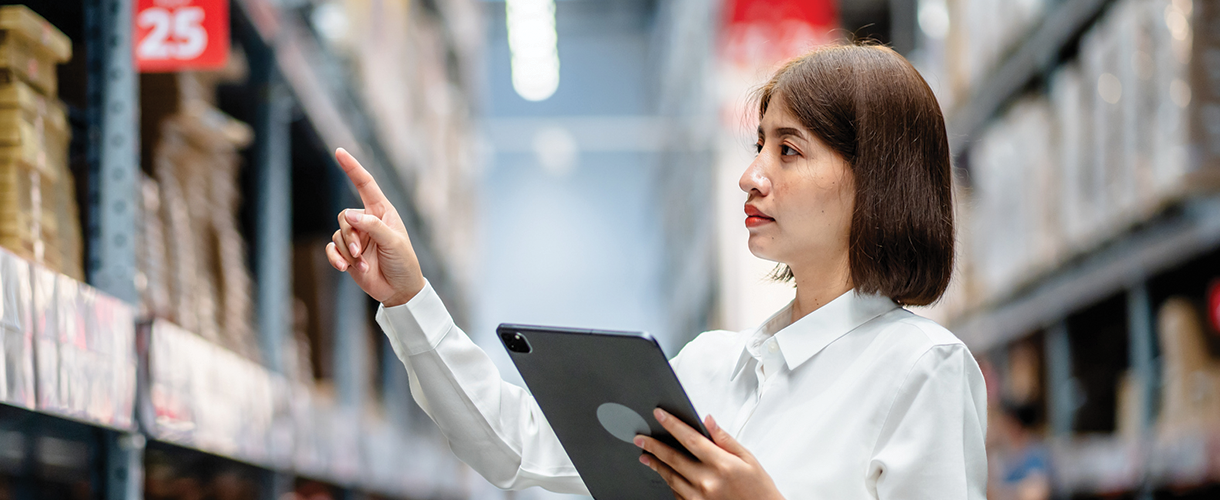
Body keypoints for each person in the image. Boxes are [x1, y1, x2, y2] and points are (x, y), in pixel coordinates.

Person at [325, 43, 987, 500]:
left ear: (875, 179)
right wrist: (410, 298)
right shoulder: (710, 370)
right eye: (759, 146)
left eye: (789, 150)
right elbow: (517, 447)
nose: (750, 176)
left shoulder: (922, 368)